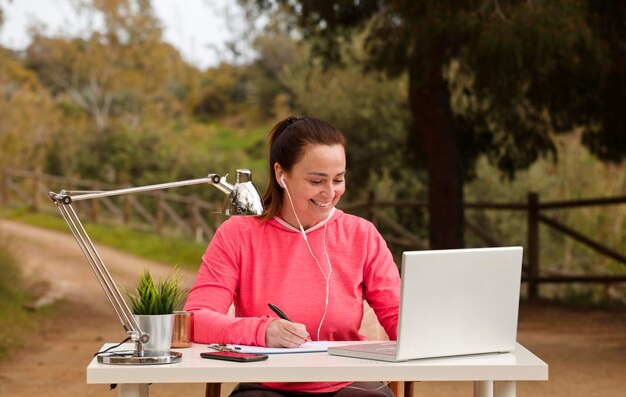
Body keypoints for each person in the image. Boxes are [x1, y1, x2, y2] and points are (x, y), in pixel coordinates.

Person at [184, 116, 401, 397]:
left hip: (348, 383)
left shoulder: (362, 235)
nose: (330, 192)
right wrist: (263, 331)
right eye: (316, 180)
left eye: (338, 179)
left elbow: (398, 318)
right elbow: (195, 319)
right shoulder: (237, 234)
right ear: (281, 174)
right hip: (265, 384)